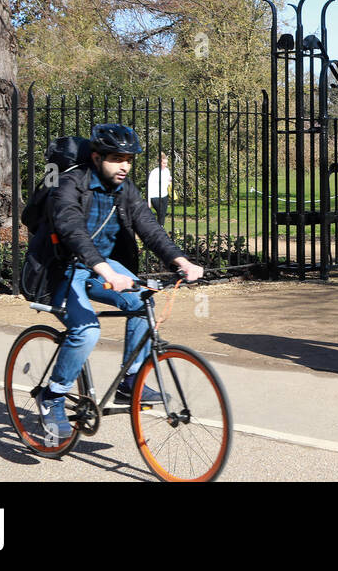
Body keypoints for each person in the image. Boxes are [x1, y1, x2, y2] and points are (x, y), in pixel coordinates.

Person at [40, 124, 204, 439]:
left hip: (103, 269)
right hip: (64, 269)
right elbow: (71, 228)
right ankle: (53, 397)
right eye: (117, 158)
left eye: (129, 159)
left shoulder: (125, 189)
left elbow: (149, 225)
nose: (125, 165)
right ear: (97, 156)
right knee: (86, 331)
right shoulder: (70, 184)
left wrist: (181, 260)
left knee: (143, 302)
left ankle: (131, 382)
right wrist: (105, 269)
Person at [147, 152, 172, 226]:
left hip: (164, 195)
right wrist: (148, 201)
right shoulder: (154, 172)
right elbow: (149, 186)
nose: (165, 165)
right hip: (155, 196)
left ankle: (160, 228)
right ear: (160, 162)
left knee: (163, 214)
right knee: (160, 212)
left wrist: (170, 181)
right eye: (164, 163)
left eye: (166, 163)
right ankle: (157, 228)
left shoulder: (167, 171)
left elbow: (167, 183)